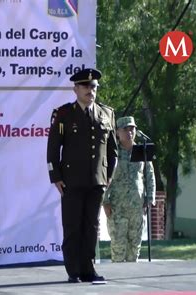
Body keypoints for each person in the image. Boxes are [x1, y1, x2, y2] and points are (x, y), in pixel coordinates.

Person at [47, 68, 118, 284]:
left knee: (91, 227)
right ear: (75, 89)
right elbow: (53, 148)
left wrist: (109, 176)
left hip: (97, 181)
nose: (91, 90)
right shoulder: (64, 114)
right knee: (72, 226)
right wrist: (55, 176)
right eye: (86, 86)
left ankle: (88, 268)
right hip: (71, 180)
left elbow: (113, 150)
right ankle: (73, 270)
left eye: (94, 86)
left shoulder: (106, 113)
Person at [103, 116, 156, 262]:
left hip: (136, 206)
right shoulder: (112, 152)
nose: (129, 132)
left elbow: (149, 175)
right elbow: (104, 176)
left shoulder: (142, 151)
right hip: (117, 206)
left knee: (134, 249)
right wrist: (104, 201)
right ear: (117, 132)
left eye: (132, 128)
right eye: (125, 129)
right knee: (118, 247)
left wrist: (149, 199)